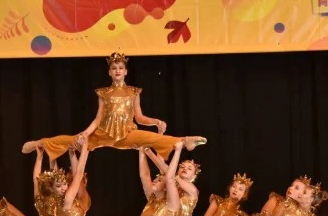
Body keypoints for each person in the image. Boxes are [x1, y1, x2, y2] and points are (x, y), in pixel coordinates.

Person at [21, 51, 206, 160]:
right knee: (71, 140)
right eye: (114, 68)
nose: (117, 71)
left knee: (152, 138)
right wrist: (85, 133)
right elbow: (98, 118)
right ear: (109, 72)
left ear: (126, 71)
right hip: (102, 134)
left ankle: (185, 140)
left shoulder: (134, 92)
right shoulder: (103, 93)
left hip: (126, 133)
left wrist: (156, 122)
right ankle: (40, 143)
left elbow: (140, 117)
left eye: (120, 68)